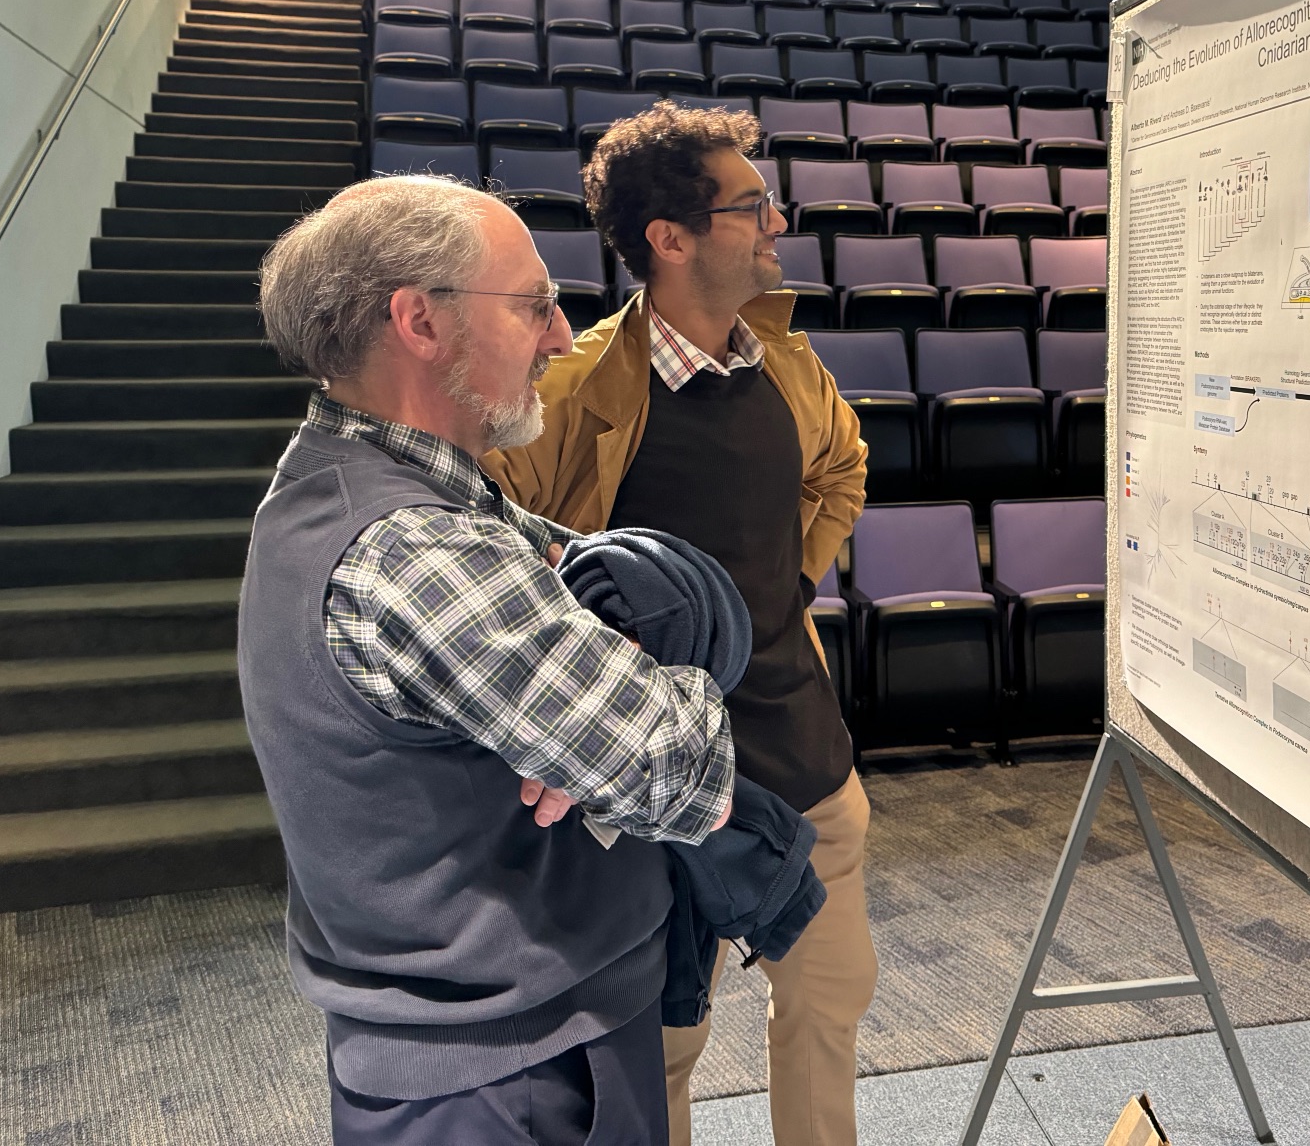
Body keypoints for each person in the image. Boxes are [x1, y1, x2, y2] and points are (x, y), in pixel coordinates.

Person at [242, 175, 735, 1144]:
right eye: (533, 304)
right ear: (421, 322)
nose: (561, 337)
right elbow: (682, 771)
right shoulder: (414, 548)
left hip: (485, 1052)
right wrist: (649, 678)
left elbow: (645, 587)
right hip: (517, 1078)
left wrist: (629, 661)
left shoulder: (363, 480)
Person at [483, 101, 873, 1146]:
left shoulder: (786, 363)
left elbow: (841, 468)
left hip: (805, 759)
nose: (777, 222)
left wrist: (775, 592)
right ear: (672, 237)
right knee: (658, 1052)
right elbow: (489, 539)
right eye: (752, 205)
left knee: (830, 1008)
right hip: (648, 790)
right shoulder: (570, 393)